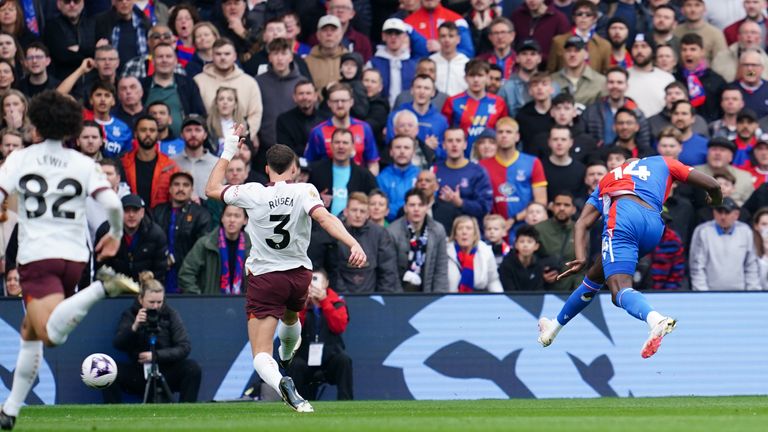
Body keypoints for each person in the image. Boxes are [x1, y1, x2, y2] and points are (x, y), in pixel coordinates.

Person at [0, 90, 138, 431]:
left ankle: (101, 289)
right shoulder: (83, 163)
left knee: (49, 335)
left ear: (36, 124)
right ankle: (10, 410)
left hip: (37, 257)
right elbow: (114, 205)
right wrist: (116, 235)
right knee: (30, 332)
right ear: (72, 128)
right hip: (75, 256)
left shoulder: (21, 158)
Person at [204, 123, 367, 413]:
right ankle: (288, 351)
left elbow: (211, 188)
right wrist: (352, 243)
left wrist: (230, 147)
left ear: (267, 170)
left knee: (260, 353)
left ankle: (283, 382)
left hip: (266, 278)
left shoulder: (252, 192)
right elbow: (326, 219)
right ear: (294, 170)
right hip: (299, 276)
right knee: (292, 318)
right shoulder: (305, 190)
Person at [537, 155, 722, 359]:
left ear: (623, 165)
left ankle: (656, 320)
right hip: (654, 225)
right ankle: (553, 327)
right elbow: (713, 185)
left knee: (618, 290)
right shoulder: (663, 162)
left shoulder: (609, 178)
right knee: (597, 273)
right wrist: (715, 200)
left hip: (624, 215)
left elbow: (582, 223)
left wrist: (580, 256)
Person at [103, 271, 202, 404]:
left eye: (159, 302)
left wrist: (156, 355)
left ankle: (187, 411)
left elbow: (184, 347)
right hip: (138, 373)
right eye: (151, 302)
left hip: (166, 371)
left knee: (192, 368)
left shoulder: (170, 314)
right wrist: (134, 326)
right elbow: (118, 343)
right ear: (140, 299)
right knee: (107, 371)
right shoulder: (130, 314)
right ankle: (113, 415)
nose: (155, 306)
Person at [285, 268, 353, 400]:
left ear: (326, 283)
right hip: (304, 357)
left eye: (315, 280)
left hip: (330, 357)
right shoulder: (296, 303)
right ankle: (293, 402)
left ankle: (346, 402)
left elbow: (339, 327)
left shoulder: (337, 303)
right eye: (308, 281)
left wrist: (324, 301)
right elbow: (291, 330)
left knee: (344, 360)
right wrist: (303, 305)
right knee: (294, 365)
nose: (312, 285)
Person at [152, 172, 211, 293]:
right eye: (176, 184)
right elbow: (150, 241)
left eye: (185, 185)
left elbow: (203, 248)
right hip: (160, 274)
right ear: (170, 189)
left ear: (191, 190)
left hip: (188, 274)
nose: (180, 189)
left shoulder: (201, 214)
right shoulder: (157, 211)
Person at [333, 192, 400, 293]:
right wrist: (343, 296)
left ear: (368, 214)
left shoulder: (380, 233)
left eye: (362, 211)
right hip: (340, 296)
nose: (358, 215)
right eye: (354, 210)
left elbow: (388, 270)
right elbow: (333, 270)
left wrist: (381, 297)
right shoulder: (336, 231)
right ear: (346, 211)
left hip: (373, 296)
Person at [689, 197, 761, 291]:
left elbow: (751, 265)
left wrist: (753, 292)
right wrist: (703, 294)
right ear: (714, 212)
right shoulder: (702, 231)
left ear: (736, 214)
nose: (723, 216)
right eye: (719, 212)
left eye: (727, 212)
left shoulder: (745, 231)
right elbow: (697, 267)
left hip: (740, 295)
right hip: (710, 294)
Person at [178, 204, 251, 295]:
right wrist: (199, 298)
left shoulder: (252, 248)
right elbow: (186, 274)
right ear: (222, 218)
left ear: (245, 220)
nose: (232, 220)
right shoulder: (205, 244)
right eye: (228, 215)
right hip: (211, 305)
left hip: (242, 305)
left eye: (237, 216)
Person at [96, 194, 169, 283]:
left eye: (135, 210)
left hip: (145, 289)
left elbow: (160, 269)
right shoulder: (106, 231)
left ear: (142, 213)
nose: (131, 215)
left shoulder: (156, 234)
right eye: (126, 210)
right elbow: (98, 265)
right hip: (113, 288)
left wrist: (150, 279)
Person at [387, 188, 449, 293]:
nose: (416, 209)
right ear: (405, 208)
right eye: (412, 205)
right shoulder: (392, 231)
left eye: (420, 205)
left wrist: (438, 297)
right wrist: (397, 298)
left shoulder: (438, 230)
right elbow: (390, 270)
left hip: (427, 293)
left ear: (427, 207)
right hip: (399, 292)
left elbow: (441, 268)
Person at [120, 114, 180, 208]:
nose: (148, 134)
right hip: (132, 216)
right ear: (135, 134)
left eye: (152, 130)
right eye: (143, 130)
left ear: (157, 134)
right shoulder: (124, 164)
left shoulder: (170, 166)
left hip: (160, 219)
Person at [446, 215, 503, 293]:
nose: (464, 232)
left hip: (479, 299)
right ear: (455, 235)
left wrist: (499, 300)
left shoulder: (485, 251)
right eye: (460, 228)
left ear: (475, 234)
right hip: (451, 300)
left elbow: (493, 281)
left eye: (468, 228)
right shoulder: (446, 253)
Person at [276, 79, 323, 157]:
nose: (304, 97)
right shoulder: (284, 120)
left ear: (315, 96)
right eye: (301, 93)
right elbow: (285, 149)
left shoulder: (325, 118)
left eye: (308, 93)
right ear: (294, 97)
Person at [499, 225, 547, 291]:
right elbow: (509, 291)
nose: (525, 245)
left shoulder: (539, 265)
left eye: (529, 242)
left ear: (536, 246)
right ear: (516, 245)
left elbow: (539, 290)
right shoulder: (506, 265)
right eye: (522, 241)